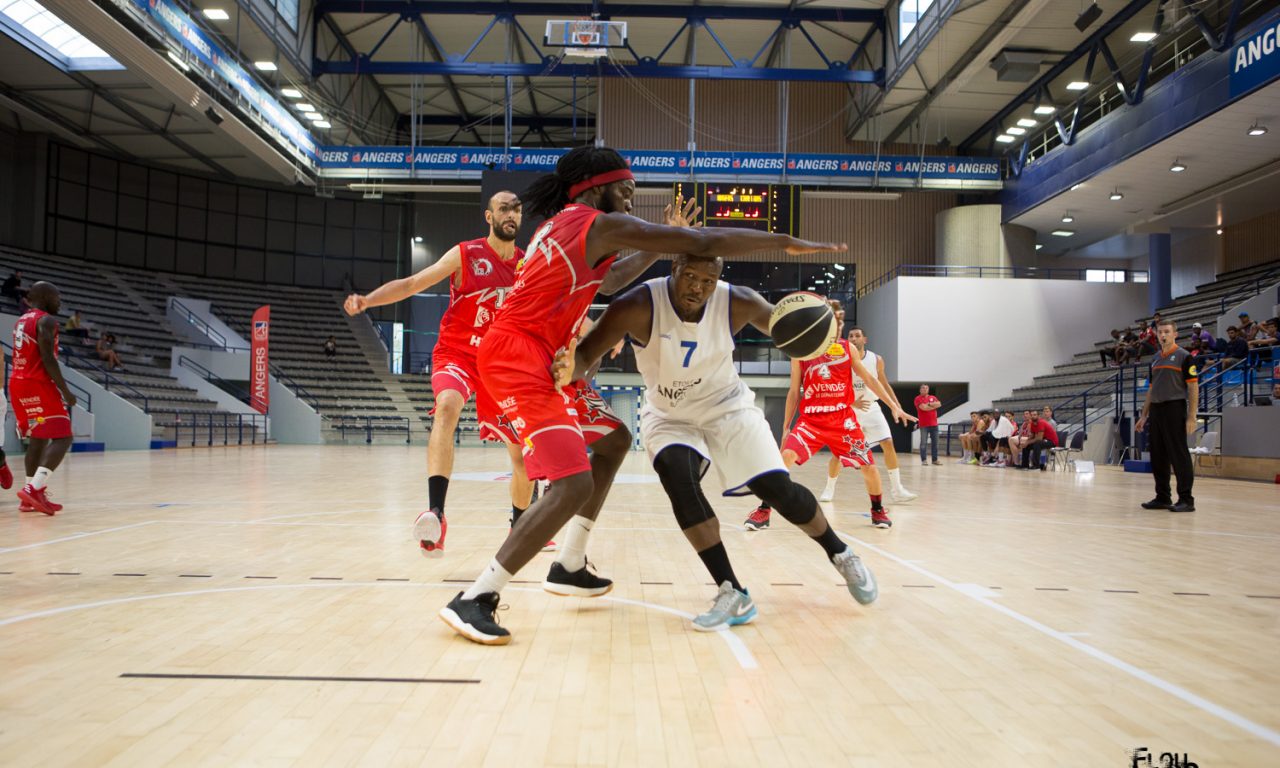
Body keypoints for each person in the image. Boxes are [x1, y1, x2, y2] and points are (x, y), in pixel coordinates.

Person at [437, 145, 845, 645]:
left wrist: (649, 250)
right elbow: (702, 238)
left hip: (539, 354)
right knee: (572, 485)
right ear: (596, 186)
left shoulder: (562, 225)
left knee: (612, 440)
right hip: (517, 357)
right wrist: (783, 241)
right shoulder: (595, 222)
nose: (631, 203)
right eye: (627, 191)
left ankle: (568, 563)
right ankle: (477, 596)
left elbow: (607, 278)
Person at [563, 254, 880, 630]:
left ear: (718, 280)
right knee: (677, 478)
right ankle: (732, 591)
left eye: (708, 280)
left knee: (777, 489)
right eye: (690, 276)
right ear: (675, 268)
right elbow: (585, 355)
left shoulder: (738, 301)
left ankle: (840, 553)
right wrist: (568, 370)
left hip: (727, 407)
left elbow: (783, 328)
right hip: (669, 414)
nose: (698, 287)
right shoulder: (638, 304)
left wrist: (817, 327)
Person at [345, 191, 543, 555]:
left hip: (500, 365)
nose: (511, 214)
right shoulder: (466, 254)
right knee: (448, 406)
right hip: (458, 353)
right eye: (504, 208)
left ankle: (520, 525)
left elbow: (548, 310)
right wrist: (369, 300)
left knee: (521, 458)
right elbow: (411, 284)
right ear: (489, 216)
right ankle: (436, 511)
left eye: (516, 209)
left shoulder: (527, 265)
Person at [742, 312, 915, 531]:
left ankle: (877, 510)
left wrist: (894, 406)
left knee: (869, 467)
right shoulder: (800, 352)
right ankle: (764, 511)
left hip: (842, 421)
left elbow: (870, 379)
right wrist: (786, 426)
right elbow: (794, 392)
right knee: (783, 458)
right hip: (811, 420)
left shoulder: (846, 348)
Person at [9, 282, 76, 514]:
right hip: (37, 384)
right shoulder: (46, 320)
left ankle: (28, 496)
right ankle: (34, 489)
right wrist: (66, 392)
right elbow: (48, 358)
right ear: (45, 297)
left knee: (38, 438)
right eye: (57, 296)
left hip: (18, 384)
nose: (59, 301)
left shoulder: (21, 320)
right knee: (63, 436)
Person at [841, 323, 918, 502]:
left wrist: (896, 407)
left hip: (872, 406)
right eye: (850, 336)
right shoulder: (843, 359)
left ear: (864, 339)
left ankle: (897, 489)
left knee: (888, 442)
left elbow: (883, 384)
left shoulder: (876, 359)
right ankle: (829, 488)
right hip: (850, 408)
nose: (853, 338)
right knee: (840, 454)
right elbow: (837, 386)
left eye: (857, 335)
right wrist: (851, 401)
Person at [1136, 319, 1198, 512]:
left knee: (1178, 454)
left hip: (1174, 408)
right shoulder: (1155, 358)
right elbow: (1151, 389)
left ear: (1175, 334)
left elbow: (1193, 386)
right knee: (1158, 455)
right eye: (1160, 332)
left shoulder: (1184, 356)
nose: (1163, 335)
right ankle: (1162, 496)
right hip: (1156, 410)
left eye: (1167, 332)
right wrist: (1144, 415)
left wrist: (1191, 416)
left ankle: (1186, 499)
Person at [914, 384, 941, 464]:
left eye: (926, 388)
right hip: (924, 425)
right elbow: (923, 408)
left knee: (935, 443)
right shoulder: (918, 398)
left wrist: (928, 404)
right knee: (923, 443)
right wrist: (933, 405)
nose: (925, 389)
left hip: (934, 424)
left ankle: (935, 460)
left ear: (928, 389)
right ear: (920, 390)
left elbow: (939, 404)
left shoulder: (933, 397)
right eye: (923, 388)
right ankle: (924, 460)